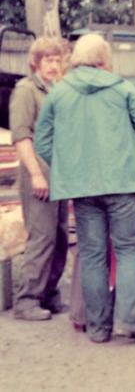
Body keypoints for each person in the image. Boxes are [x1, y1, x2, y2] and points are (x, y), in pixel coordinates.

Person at [35, 34, 135, 343]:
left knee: (92, 255)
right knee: (128, 250)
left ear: (75, 59)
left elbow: (42, 142)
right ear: (105, 60)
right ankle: (130, 323)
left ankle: (98, 328)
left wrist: (68, 169)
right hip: (123, 184)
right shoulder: (124, 89)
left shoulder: (58, 93)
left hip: (81, 188)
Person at [9, 37, 69, 321]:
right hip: (39, 172)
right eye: (48, 60)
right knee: (41, 237)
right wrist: (35, 174)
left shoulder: (57, 90)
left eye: (58, 60)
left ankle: (49, 293)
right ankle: (27, 299)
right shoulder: (25, 91)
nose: (54, 66)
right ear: (36, 62)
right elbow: (20, 137)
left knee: (59, 237)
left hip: (59, 174)